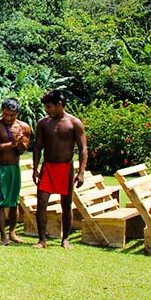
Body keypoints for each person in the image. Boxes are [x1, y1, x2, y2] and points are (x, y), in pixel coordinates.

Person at [32, 90, 87, 250]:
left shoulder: (74, 123)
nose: (46, 110)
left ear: (59, 105)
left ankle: (65, 239)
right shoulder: (43, 123)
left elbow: (83, 148)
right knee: (41, 203)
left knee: (66, 204)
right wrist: (35, 169)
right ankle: (42, 240)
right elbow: (37, 147)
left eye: (49, 107)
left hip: (66, 168)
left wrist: (81, 172)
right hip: (48, 167)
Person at [0, 98, 31, 245]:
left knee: (14, 203)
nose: (8, 118)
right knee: (0, 202)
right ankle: (2, 235)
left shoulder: (24, 127)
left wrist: (20, 143)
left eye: (12, 115)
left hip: (14, 167)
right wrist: (12, 143)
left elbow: (23, 149)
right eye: (5, 114)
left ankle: (12, 232)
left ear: (17, 113)